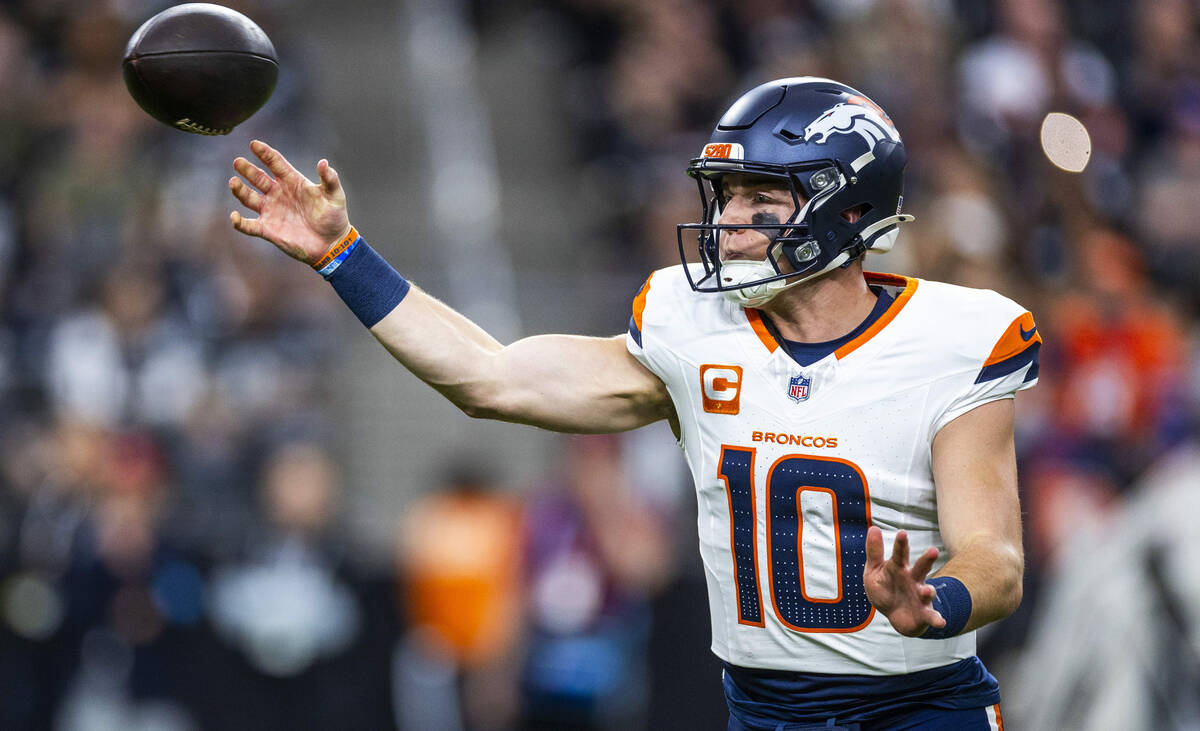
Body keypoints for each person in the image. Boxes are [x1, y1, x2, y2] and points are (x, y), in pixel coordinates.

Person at [227, 77, 1038, 730]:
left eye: (761, 202)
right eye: (723, 199)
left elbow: (994, 557)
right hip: (766, 713)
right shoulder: (693, 327)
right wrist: (343, 256)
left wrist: (935, 601)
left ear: (849, 208)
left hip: (921, 710)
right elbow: (490, 377)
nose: (728, 225)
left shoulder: (954, 339)